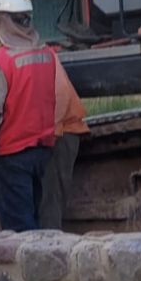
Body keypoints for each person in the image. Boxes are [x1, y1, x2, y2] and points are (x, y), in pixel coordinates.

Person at [0, 0, 57, 232]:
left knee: (19, 231)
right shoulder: (46, 55)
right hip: (41, 151)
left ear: (4, 21)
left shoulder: (1, 62)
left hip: (9, 157)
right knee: (33, 221)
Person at [41, 58, 89, 229]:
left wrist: (49, 132)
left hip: (59, 132)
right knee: (46, 200)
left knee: (49, 201)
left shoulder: (40, 55)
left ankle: (50, 240)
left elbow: (60, 94)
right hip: (52, 131)